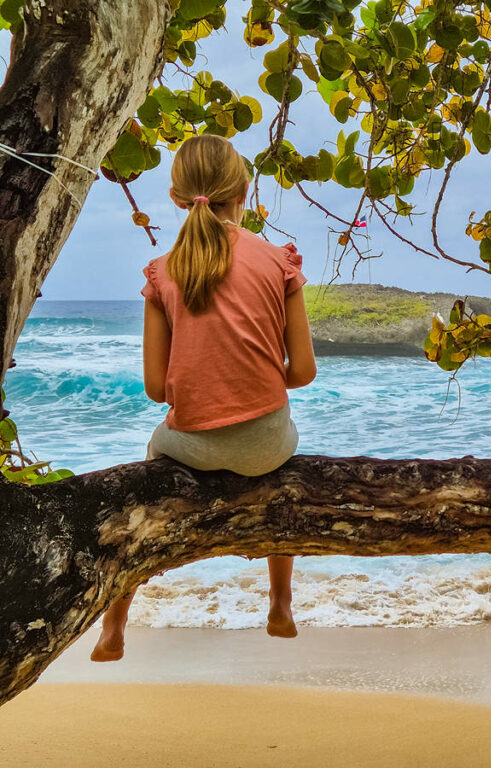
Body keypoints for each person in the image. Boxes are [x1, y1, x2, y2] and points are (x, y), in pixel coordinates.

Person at [90, 135, 317, 662]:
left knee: (143, 477)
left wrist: (205, 383)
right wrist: (254, 378)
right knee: (284, 479)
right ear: (244, 189)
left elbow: (156, 389)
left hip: (190, 444)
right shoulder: (278, 260)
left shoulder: (161, 273)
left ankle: (114, 623)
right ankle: (281, 603)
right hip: (265, 442)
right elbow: (302, 372)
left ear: (175, 197)